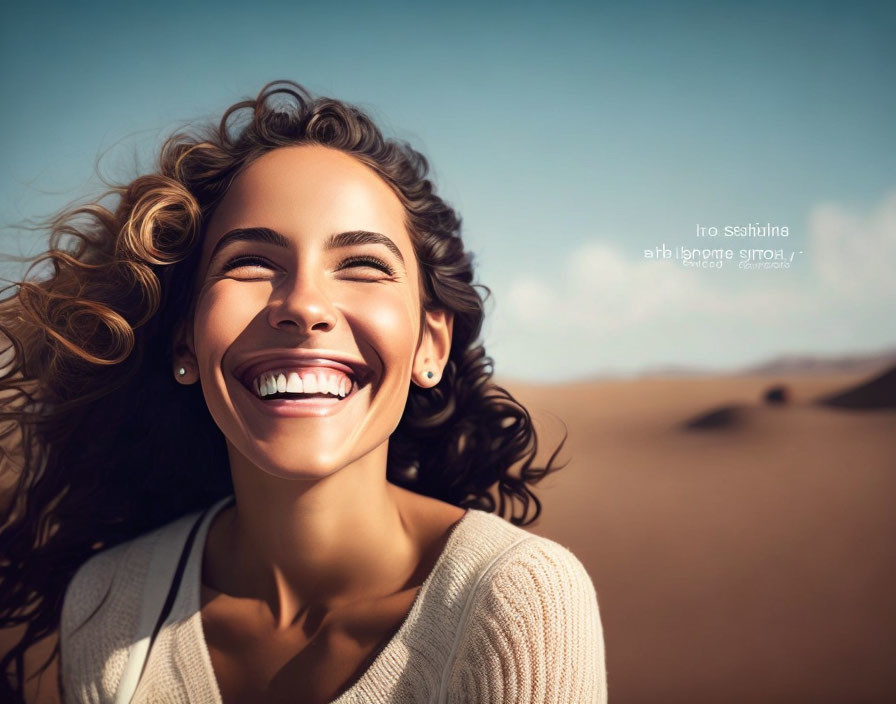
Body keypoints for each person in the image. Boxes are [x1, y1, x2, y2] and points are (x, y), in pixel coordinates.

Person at [0, 81, 607, 703]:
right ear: (185, 341)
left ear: (431, 345)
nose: (304, 306)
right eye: (251, 262)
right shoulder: (109, 602)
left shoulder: (514, 598)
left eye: (364, 265)